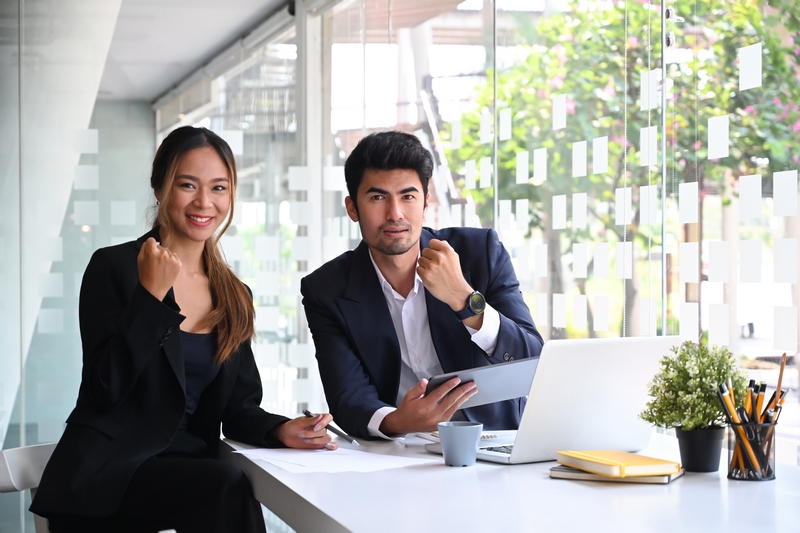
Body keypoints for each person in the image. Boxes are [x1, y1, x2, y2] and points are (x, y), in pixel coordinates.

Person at [30, 126, 337, 533]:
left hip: (188, 473)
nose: (204, 202)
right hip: (106, 478)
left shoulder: (233, 294)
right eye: (187, 185)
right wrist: (150, 299)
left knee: (226, 485)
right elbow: (103, 391)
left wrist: (281, 428)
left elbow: (239, 409)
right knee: (225, 486)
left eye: (219, 188)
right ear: (160, 188)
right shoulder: (115, 268)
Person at [301, 131, 544, 441]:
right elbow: (348, 396)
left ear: (426, 202)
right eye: (377, 197)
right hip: (395, 452)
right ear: (352, 208)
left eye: (408, 196)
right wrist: (398, 422)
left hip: (492, 440)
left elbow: (534, 363)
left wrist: (464, 299)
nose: (395, 214)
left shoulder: (479, 253)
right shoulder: (327, 289)